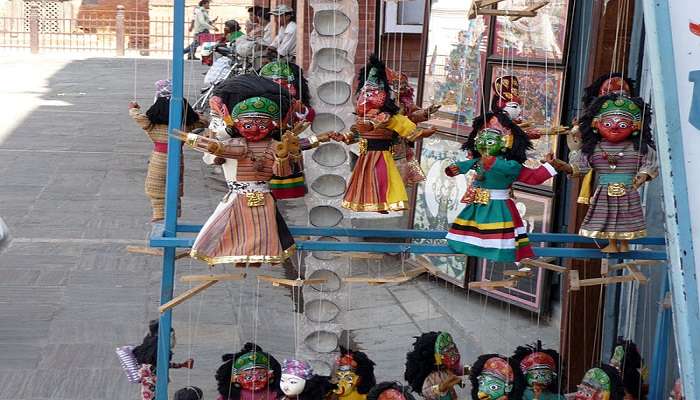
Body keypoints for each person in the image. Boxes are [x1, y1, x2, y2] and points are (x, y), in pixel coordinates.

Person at [128, 80, 206, 222]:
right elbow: (203, 122)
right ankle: (174, 211)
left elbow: (139, 117)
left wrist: (133, 108)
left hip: (158, 158)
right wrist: (196, 114)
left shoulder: (152, 125)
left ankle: (159, 212)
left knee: (155, 186)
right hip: (177, 158)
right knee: (175, 184)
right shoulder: (185, 125)